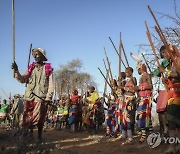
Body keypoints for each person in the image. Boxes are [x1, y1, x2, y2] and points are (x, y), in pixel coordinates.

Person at [11, 48, 54, 141]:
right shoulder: (31, 68)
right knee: (27, 118)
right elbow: (22, 79)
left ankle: (39, 136)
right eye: (35, 55)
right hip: (29, 97)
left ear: (42, 57)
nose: (36, 56)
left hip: (41, 98)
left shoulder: (48, 68)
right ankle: (28, 135)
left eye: (38, 54)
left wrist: (48, 97)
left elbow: (51, 84)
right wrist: (16, 70)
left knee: (39, 118)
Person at [158, 45, 180, 153]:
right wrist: (165, 81)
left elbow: (178, 74)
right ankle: (177, 145)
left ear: (170, 51)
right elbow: (172, 78)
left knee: (171, 120)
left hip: (178, 94)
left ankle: (172, 146)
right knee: (176, 122)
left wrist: (165, 72)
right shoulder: (171, 64)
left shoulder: (178, 60)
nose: (165, 57)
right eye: (163, 55)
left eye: (165, 54)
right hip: (171, 94)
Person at [136, 63, 153, 143]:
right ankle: (144, 134)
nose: (138, 71)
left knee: (146, 116)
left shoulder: (147, 75)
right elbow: (139, 89)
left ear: (142, 68)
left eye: (138, 69)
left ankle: (150, 134)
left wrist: (142, 88)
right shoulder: (140, 77)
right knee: (141, 116)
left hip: (147, 98)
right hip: (141, 98)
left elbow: (151, 86)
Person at [121, 67, 137, 145]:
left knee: (129, 119)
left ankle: (130, 138)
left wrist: (125, 88)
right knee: (125, 118)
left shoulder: (133, 79)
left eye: (127, 72)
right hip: (125, 100)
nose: (126, 73)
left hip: (130, 100)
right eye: (125, 72)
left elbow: (134, 90)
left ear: (131, 72)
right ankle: (126, 136)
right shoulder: (127, 81)